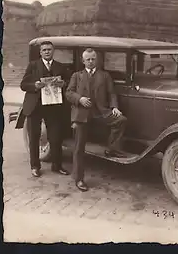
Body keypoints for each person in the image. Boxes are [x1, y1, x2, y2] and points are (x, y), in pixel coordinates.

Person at [66, 48, 127, 192]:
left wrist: (114, 107)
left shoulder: (105, 76)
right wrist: (79, 99)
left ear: (97, 60)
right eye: (88, 59)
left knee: (121, 120)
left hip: (102, 113)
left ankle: (112, 149)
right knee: (79, 147)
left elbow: (112, 93)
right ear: (83, 61)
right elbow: (68, 92)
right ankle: (79, 178)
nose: (91, 61)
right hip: (82, 115)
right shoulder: (77, 76)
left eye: (93, 59)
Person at [20, 41, 70, 177]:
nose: (47, 52)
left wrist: (63, 83)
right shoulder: (33, 65)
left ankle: (57, 165)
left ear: (53, 51)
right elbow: (23, 84)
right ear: (40, 52)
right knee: (34, 137)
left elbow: (69, 82)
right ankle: (35, 166)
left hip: (53, 107)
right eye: (44, 50)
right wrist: (35, 85)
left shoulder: (60, 67)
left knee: (55, 137)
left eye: (49, 49)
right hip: (35, 106)